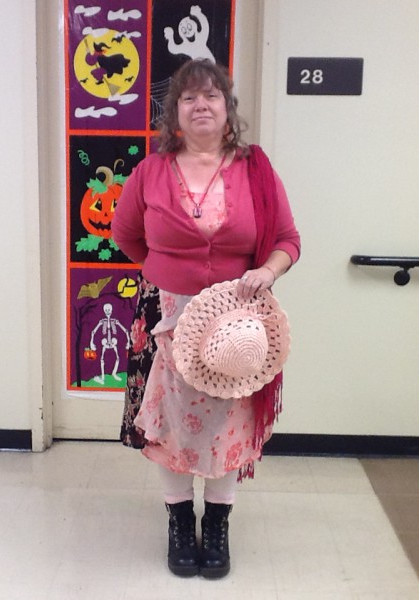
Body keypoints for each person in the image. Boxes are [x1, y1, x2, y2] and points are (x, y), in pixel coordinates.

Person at [112, 58, 300, 579]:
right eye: (189, 97)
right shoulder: (151, 171)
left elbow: (288, 240)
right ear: (175, 111)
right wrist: (164, 273)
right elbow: (125, 234)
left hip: (235, 322)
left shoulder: (256, 169)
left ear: (227, 108)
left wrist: (267, 270)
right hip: (166, 317)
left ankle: (216, 524)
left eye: (211, 96)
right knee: (170, 423)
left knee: (228, 421)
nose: (201, 105)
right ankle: (179, 521)